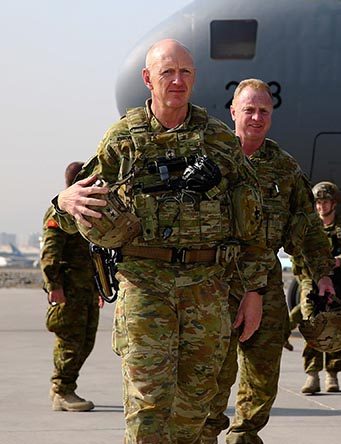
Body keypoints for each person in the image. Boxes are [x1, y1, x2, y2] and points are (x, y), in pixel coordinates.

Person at [51, 39, 273, 443]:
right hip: (145, 286)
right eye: (167, 72)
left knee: (195, 406)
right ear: (148, 79)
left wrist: (254, 290)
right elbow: (72, 211)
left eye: (185, 72)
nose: (177, 80)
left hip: (206, 288)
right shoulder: (124, 139)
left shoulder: (219, 141)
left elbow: (252, 224)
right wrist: (64, 200)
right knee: (148, 407)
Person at [202, 79, 335, 444]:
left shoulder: (283, 168)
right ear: (233, 112)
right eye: (249, 110)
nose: (257, 117)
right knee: (214, 374)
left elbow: (307, 225)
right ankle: (205, 435)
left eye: (264, 111)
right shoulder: (212, 161)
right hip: (217, 284)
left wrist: (323, 274)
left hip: (267, 284)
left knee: (263, 374)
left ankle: (244, 436)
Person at [40, 161, 102, 412]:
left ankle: (67, 387)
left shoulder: (87, 210)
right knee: (70, 341)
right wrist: (54, 285)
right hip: (69, 289)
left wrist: (98, 288)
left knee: (85, 341)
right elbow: (50, 252)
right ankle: (61, 391)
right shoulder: (61, 211)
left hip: (86, 288)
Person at [294, 181, 341, 394]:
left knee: (336, 326)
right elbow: (298, 254)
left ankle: (332, 374)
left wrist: (340, 261)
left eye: (325, 202)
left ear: (334, 203)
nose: (321, 207)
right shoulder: (308, 227)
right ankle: (312, 375)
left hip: (338, 283)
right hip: (310, 282)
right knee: (311, 325)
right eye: (318, 203)